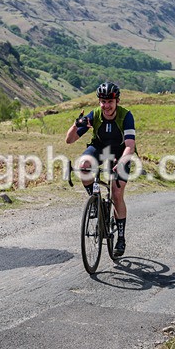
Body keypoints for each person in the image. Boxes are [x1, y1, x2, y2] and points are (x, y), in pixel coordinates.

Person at [66, 82, 136, 258]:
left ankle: (120, 237)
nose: (106, 106)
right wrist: (76, 125)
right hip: (98, 148)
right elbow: (69, 140)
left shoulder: (126, 116)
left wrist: (121, 163)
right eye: (102, 102)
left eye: (110, 102)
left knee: (117, 192)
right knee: (83, 166)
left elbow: (130, 145)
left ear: (117, 101)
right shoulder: (94, 115)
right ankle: (95, 202)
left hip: (120, 152)